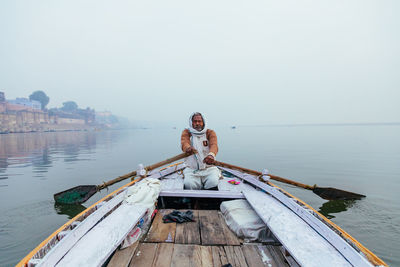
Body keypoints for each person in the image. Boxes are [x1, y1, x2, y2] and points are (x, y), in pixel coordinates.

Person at [181, 112, 220, 190]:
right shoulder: (187, 132)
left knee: (213, 181)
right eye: (195, 121)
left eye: (199, 121)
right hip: (192, 169)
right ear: (191, 123)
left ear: (203, 122)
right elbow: (184, 143)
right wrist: (188, 148)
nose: (197, 123)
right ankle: (194, 200)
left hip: (209, 168)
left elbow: (214, 145)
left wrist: (211, 155)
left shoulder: (210, 132)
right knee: (188, 184)